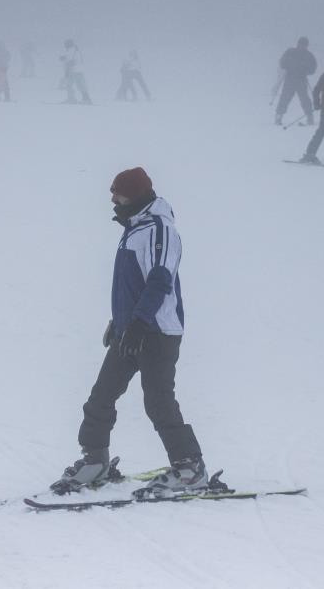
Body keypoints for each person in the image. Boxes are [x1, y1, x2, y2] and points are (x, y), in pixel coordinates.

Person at [52, 167, 207, 497]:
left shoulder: (160, 230)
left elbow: (160, 280)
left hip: (158, 332)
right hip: (131, 329)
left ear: (135, 195)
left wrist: (138, 323)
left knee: (159, 402)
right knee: (101, 397)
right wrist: (119, 321)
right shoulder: (135, 228)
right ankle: (95, 462)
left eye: (117, 193)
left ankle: (190, 469)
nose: (112, 199)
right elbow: (131, 285)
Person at [274, 36, 317, 125]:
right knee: (285, 98)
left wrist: (306, 70)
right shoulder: (290, 52)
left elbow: (313, 68)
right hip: (290, 79)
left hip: (301, 80)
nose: (302, 47)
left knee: (304, 99)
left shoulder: (308, 55)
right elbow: (282, 63)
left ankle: (309, 116)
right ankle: (279, 116)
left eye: (304, 45)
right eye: (301, 44)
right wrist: (288, 65)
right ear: (298, 44)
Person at [61, 39, 92, 104]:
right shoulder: (75, 50)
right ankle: (86, 98)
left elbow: (70, 62)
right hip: (78, 70)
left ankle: (71, 99)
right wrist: (64, 58)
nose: (64, 45)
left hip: (73, 71)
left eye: (65, 44)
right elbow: (74, 59)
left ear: (68, 44)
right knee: (80, 85)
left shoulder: (71, 51)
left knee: (69, 85)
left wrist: (67, 69)